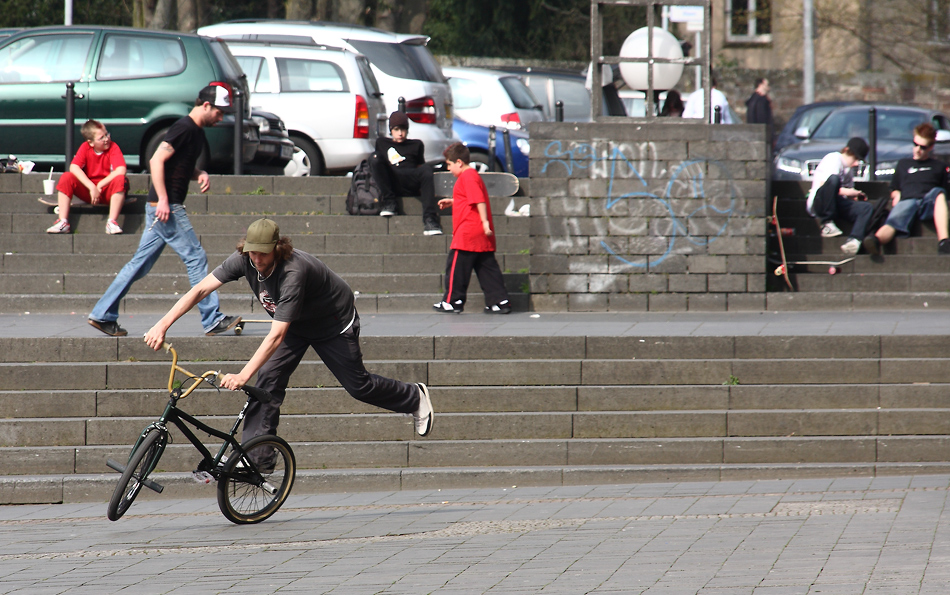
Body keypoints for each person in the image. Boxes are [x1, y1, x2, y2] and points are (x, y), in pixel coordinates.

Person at [143, 218, 434, 444]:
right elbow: (201, 289)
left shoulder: (294, 273)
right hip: (295, 323)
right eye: (251, 253)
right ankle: (257, 455)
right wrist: (163, 323)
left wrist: (243, 374)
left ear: (277, 249)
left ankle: (414, 397)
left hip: (332, 324)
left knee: (358, 387)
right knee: (267, 380)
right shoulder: (244, 259)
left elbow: (276, 336)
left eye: (263, 254)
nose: (256, 260)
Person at [87, 85, 241, 337]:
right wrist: (163, 200)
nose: (221, 117)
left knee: (139, 265)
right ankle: (212, 318)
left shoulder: (196, 133)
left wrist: (198, 172)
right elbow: (156, 160)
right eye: (219, 112)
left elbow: (177, 165)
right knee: (196, 257)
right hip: (165, 208)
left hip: (160, 207)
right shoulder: (184, 128)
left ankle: (102, 314)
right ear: (205, 106)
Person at [433, 142, 512, 315]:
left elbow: (479, 200)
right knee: (486, 268)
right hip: (480, 235)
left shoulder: (467, 176)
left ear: (459, 162)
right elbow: (470, 198)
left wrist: (484, 221)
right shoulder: (473, 176)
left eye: (449, 165)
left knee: (455, 267)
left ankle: (452, 301)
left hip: (468, 232)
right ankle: (499, 301)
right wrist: (453, 202)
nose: (449, 169)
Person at [863, 123, 950, 256]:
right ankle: (875, 240)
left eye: (923, 147)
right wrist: (896, 193)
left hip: (928, 201)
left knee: (939, 193)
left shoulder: (939, 166)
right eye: (915, 144)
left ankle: (944, 241)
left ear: (931, 147)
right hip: (908, 200)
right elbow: (894, 186)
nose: (917, 149)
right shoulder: (903, 164)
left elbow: (945, 190)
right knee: (897, 216)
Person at [46, 119, 128, 235]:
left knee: (121, 180)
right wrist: (92, 187)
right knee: (67, 177)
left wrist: (100, 184)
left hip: (107, 191)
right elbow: (74, 167)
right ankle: (63, 222)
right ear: (91, 142)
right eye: (101, 138)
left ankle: (112, 222)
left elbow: (121, 170)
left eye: (107, 134)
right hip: (90, 192)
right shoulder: (85, 147)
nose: (106, 139)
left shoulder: (113, 147)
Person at [369, 111, 442, 235]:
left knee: (426, 169)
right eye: (396, 129)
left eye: (403, 129)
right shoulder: (382, 143)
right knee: (375, 157)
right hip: (391, 181)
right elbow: (378, 167)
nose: (400, 133)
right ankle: (389, 202)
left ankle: (430, 219)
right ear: (391, 130)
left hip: (410, 180)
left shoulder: (416, 144)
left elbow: (420, 166)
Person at [806, 137, 873, 255]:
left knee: (866, 208)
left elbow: (846, 195)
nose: (856, 163)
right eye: (855, 158)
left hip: (835, 204)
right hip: (819, 202)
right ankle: (827, 223)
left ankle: (854, 240)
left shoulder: (848, 172)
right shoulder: (833, 158)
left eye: (858, 160)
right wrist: (850, 192)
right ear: (846, 150)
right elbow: (826, 185)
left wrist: (855, 199)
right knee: (834, 179)